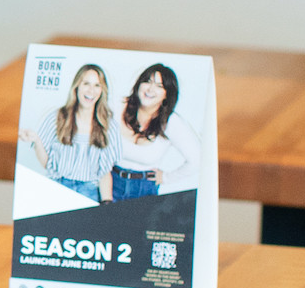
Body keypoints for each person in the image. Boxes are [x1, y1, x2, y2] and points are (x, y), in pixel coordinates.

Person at [21, 63, 111, 201]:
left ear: (102, 90)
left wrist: (107, 202)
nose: (91, 90)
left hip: (89, 192)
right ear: (77, 86)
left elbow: (105, 172)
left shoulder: (107, 124)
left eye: (97, 85)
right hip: (57, 188)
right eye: (86, 83)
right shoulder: (57, 117)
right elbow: (47, 165)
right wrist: (36, 141)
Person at [108, 63, 198, 200]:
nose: (150, 89)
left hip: (144, 189)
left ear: (166, 95)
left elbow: (197, 159)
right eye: (147, 82)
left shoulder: (170, 122)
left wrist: (167, 178)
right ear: (139, 84)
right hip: (110, 181)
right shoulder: (118, 106)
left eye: (159, 86)